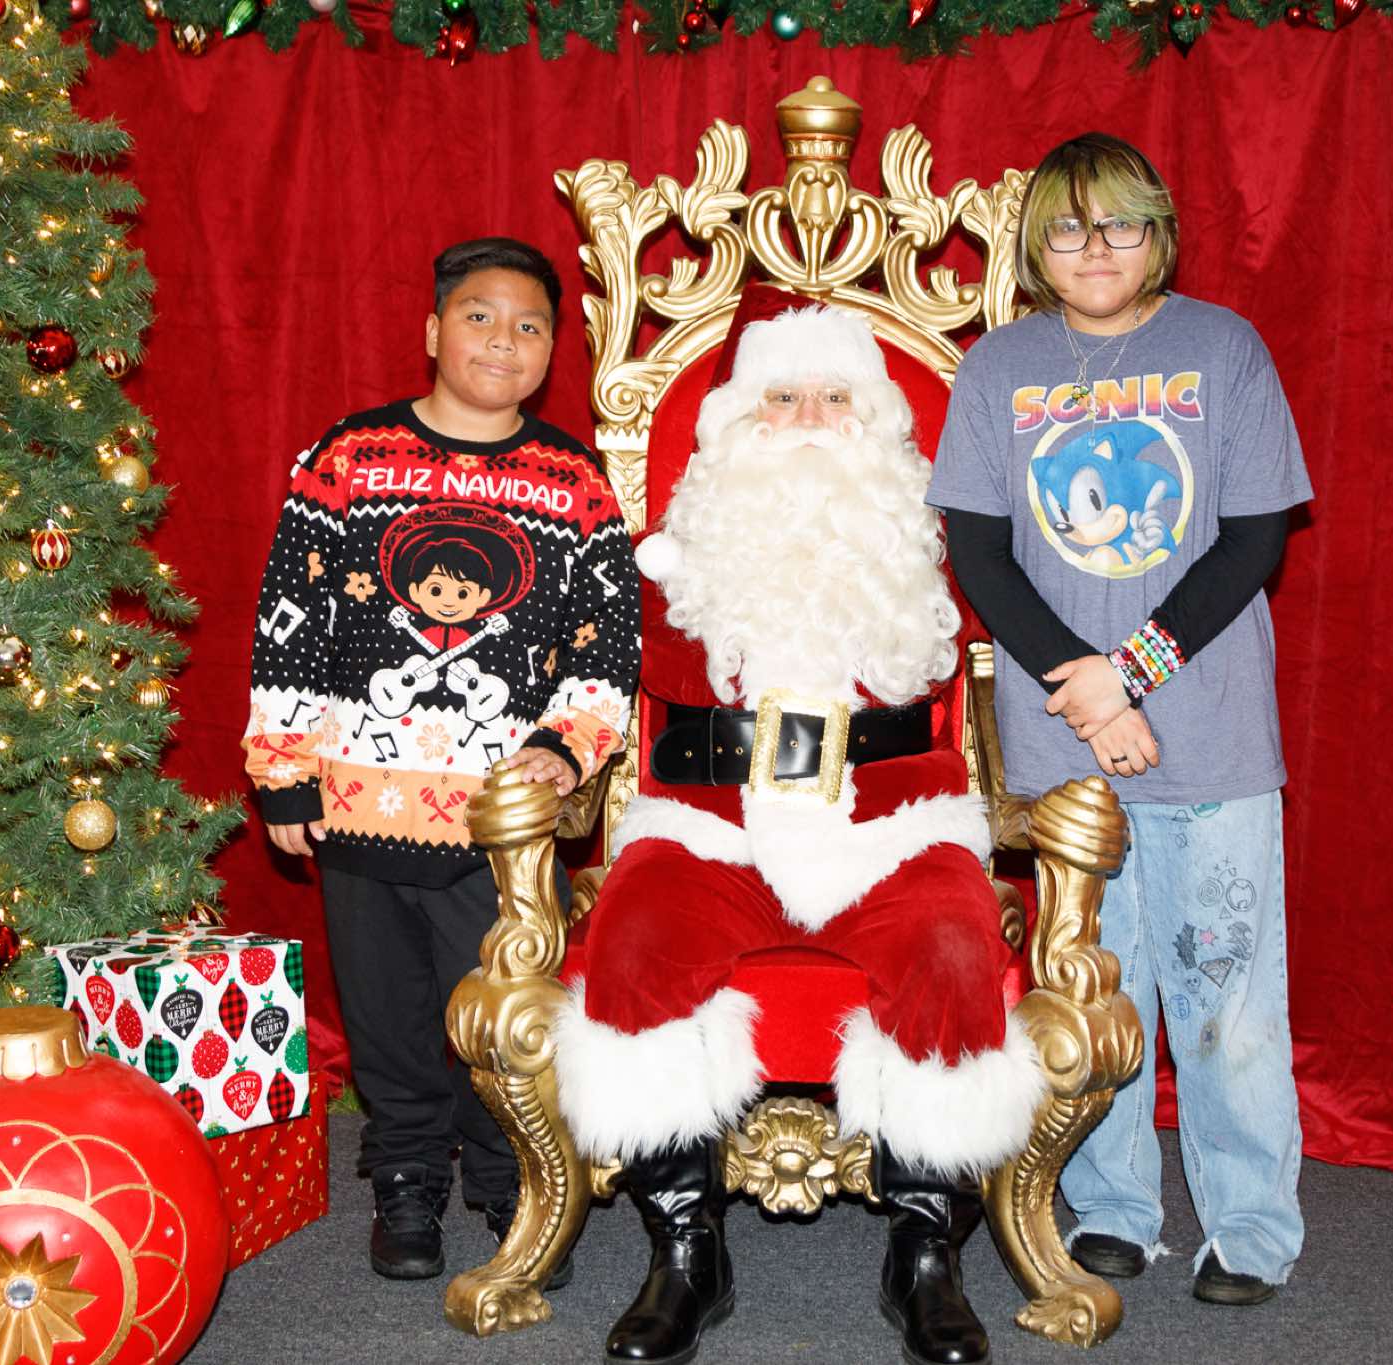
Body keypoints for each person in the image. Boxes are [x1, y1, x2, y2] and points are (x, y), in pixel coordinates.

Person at [561, 303, 1035, 1365]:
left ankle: (924, 1251)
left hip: (891, 827)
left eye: (834, 397)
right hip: (710, 826)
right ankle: (685, 1250)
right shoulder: (673, 557)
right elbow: (586, 671)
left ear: (877, 421)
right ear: (737, 421)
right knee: (635, 941)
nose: (810, 420)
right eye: (780, 398)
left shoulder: (928, 548)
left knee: (951, 947)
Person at [927, 133, 1312, 1308]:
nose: (1093, 249)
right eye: (1066, 228)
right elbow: (978, 553)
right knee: (1095, 987)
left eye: (1120, 225)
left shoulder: (1222, 349)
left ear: (1159, 235)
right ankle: (1110, 1208)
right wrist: (1086, 691)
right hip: (1065, 741)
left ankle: (1249, 1225)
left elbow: (1251, 538)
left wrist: (1128, 674)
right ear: (1034, 248)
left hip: (1209, 730)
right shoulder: (997, 367)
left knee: (1225, 994)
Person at [242, 236, 637, 1282]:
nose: (503, 340)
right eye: (479, 317)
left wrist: (566, 746)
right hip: (357, 803)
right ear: (431, 330)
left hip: (498, 825)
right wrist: (282, 767)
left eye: (528, 325)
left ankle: (510, 1181)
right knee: (386, 1014)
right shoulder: (346, 457)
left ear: (550, 350)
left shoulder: (575, 481)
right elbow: (290, 622)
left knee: (501, 1012)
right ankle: (406, 1177)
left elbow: (607, 645)